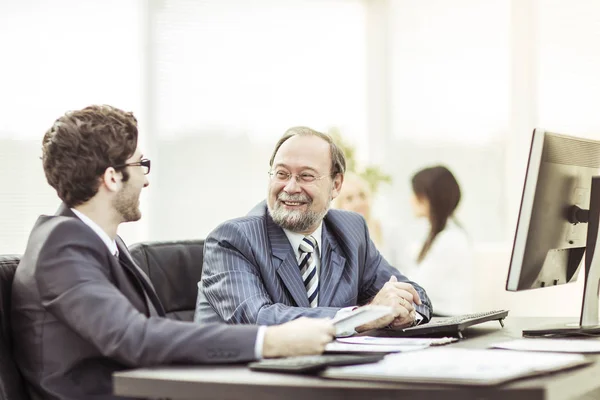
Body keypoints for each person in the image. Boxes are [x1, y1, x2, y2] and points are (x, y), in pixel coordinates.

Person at [10, 106, 335, 400]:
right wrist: (272, 341)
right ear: (111, 177)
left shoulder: (99, 242)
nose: (146, 180)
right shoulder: (60, 247)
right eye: (141, 165)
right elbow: (134, 337)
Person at [195, 126, 432, 331]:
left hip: (329, 375)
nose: (290, 187)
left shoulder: (350, 231)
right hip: (242, 379)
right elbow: (259, 319)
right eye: (281, 174)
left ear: (336, 185)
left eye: (306, 176)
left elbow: (415, 295)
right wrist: (365, 317)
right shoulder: (233, 240)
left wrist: (402, 312)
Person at [404, 165, 474, 316]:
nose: (411, 200)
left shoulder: (451, 239)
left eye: (417, 195)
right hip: (437, 315)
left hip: (445, 317)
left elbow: (416, 288)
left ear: (431, 198)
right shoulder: (438, 234)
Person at [334, 172, 384, 248]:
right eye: (349, 198)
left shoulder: (383, 229)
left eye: (362, 195)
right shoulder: (333, 241)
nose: (358, 203)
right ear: (339, 206)